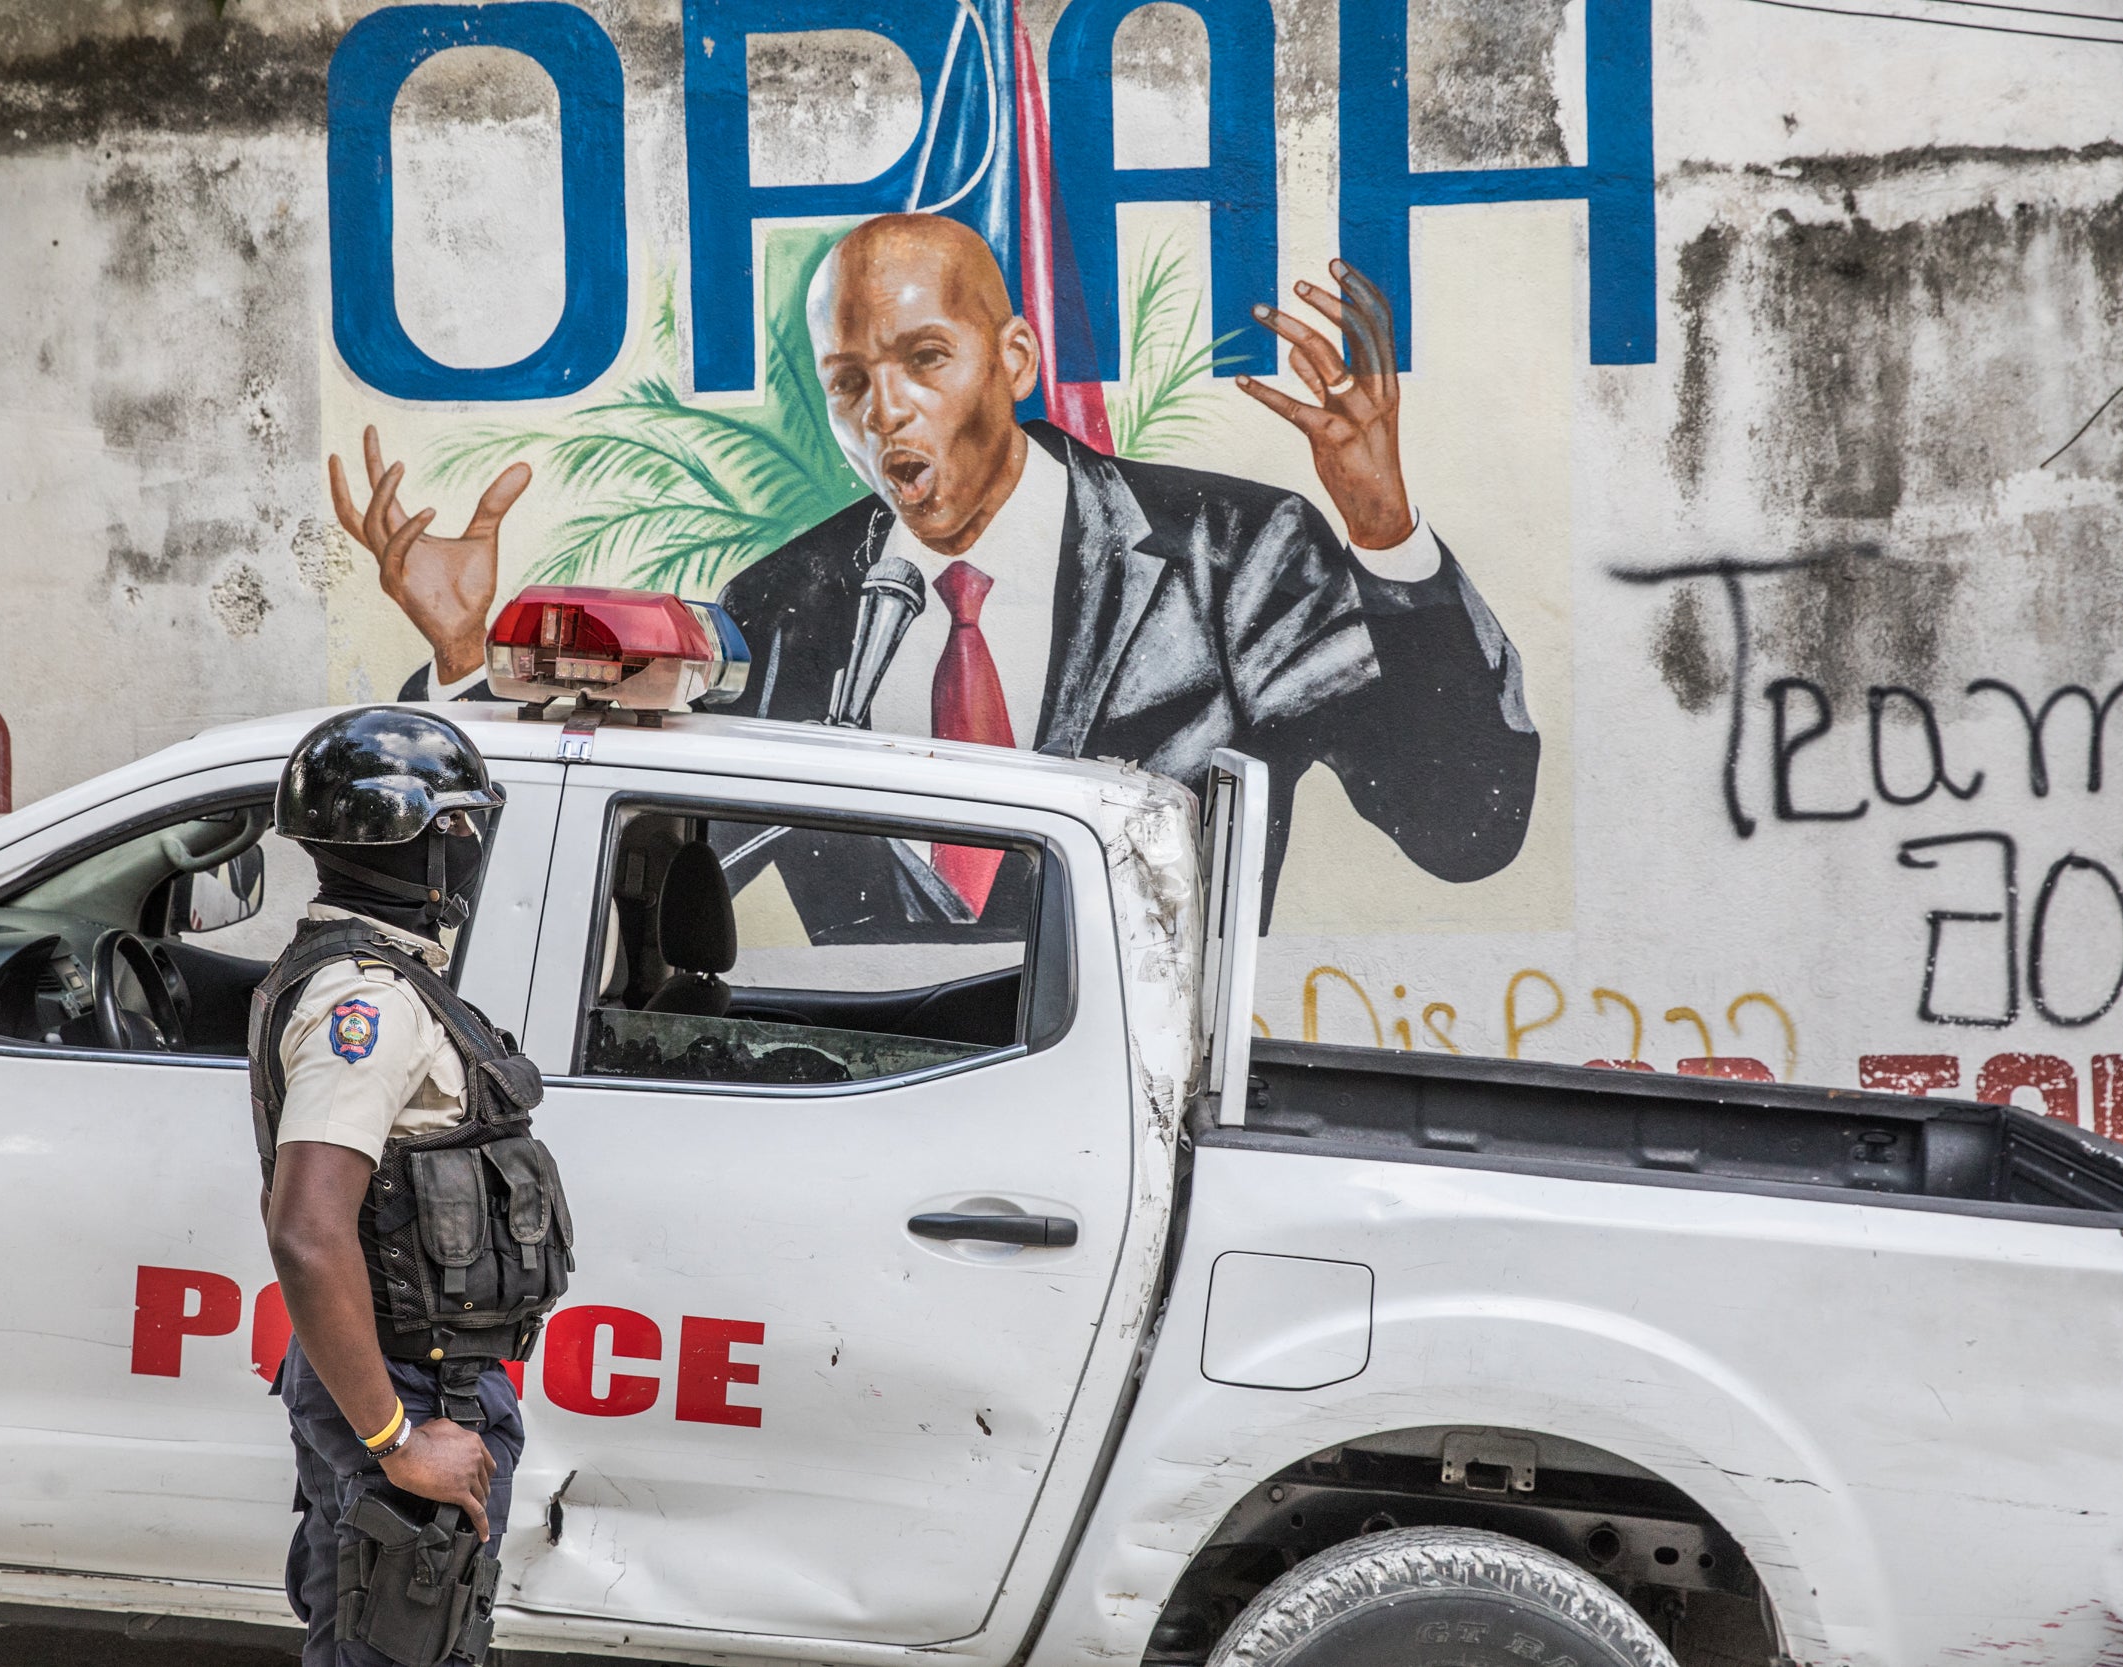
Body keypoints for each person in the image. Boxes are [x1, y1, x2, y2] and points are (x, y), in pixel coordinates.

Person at [332, 212, 1538, 922]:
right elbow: (596, 862)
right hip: (878, 1124)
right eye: (851, 383)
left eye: (925, 358)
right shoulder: (784, 609)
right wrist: (456, 660)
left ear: (1011, 357)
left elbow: (1465, 827)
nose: (888, 416)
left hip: (1143, 1113)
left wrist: (1383, 534)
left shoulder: (1231, 556)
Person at [254, 705, 569, 1667]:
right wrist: (397, 1440)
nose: (470, 841)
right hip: (412, 1385)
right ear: (410, 836)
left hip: (420, 1375)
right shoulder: (368, 1000)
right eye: (455, 822)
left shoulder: (384, 975)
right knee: (397, 1648)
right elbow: (308, 1230)